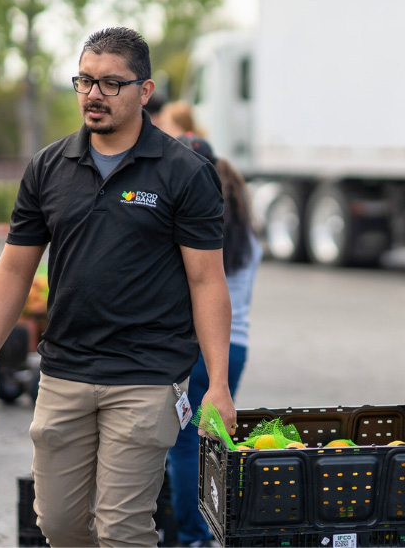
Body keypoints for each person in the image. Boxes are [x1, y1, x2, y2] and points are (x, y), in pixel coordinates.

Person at [0, 27, 237, 547]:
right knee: (59, 524)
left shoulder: (184, 172)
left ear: (145, 90)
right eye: (85, 81)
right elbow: (13, 271)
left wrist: (220, 384)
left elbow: (207, 280)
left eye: (111, 83)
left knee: (122, 527)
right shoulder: (49, 167)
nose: (94, 94)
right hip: (65, 369)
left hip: (147, 374)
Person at [166, 134, 262, 547]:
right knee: (211, 443)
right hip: (234, 349)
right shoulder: (246, 234)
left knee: (184, 445)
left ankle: (194, 534)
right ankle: (214, 528)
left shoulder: (193, 229)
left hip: (197, 349)